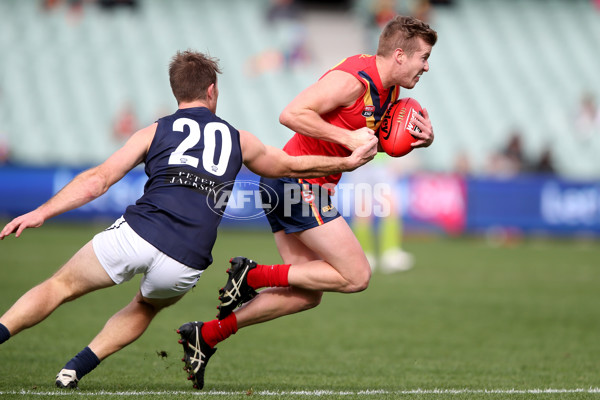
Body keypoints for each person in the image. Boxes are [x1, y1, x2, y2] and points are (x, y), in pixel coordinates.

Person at [0, 50, 377, 389]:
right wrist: (343, 162)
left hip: (138, 233)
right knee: (145, 306)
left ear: (176, 93)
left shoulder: (154, 131)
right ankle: (74, 369)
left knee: (60, 286)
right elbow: (290, 165)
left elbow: (98, 180)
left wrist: (41, 211)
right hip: (185, 261)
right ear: (212, 91)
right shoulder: (239, 139)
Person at [177, 15, 437, 389]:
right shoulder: (354, 80)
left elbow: (373, 142)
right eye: (423, 57)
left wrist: (420, 141)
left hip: (295, 185)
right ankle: (253, 275)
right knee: (357, 275)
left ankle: (208, 335)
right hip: (297, 182)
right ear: (400, 55)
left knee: (305, 295)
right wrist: (346, 139)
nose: (426, 65)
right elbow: (291, 114)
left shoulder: (389, 92)